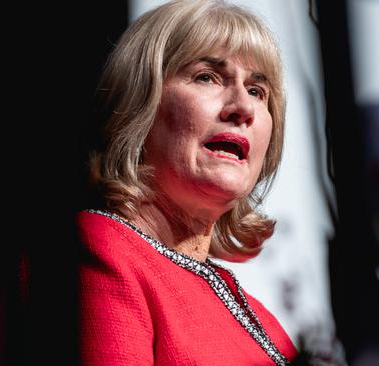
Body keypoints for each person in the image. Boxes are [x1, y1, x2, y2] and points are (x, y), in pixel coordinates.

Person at [77, 0, 296, 364]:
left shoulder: (268, 325)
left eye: (258, 91)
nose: (242, 106)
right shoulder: (100, 248)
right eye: (207, 77)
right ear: (138, 102)